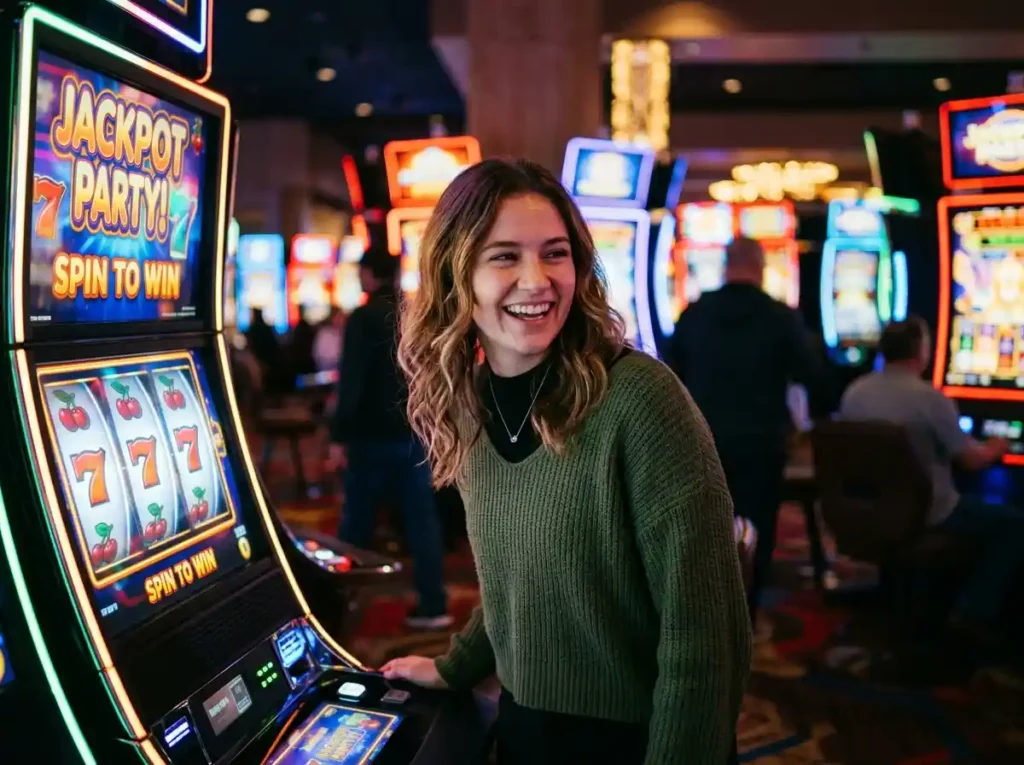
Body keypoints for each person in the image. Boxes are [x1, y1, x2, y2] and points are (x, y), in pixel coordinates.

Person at [382, 159, 750, 764]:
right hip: (524, 724)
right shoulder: (470, 403)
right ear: (456, 274)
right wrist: (457, 665)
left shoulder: (639, 398)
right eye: (504, 257)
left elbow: (705, 637)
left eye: (555, 253)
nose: (538, 280)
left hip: (635, 738)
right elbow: (517, 580)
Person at [666, 235, 819, 618]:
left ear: (725, 266)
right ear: (761, 267)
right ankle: (746, 615)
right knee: (756, 527)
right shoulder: (780, 317)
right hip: (761, 441)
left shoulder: (695, 313)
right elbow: (813, 378)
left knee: (704, 530)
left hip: (701, 440)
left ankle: (702, 613)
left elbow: (670, 376)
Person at [840, 317, 1023, 634]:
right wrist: (996, 446)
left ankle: (913, 599)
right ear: (921, 350)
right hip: (929, 513)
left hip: (869, 510)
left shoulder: (855, 392)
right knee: (1014, 524)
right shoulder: (929, 399)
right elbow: (970, 460)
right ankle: (971, 614)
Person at [327, 245, 451, 630]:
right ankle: (434, 604)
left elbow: (353, 384)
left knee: (355, 526)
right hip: (412, 433)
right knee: (421, 523)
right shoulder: (412, 314)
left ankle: (337, 605)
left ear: (368, 274)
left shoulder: (362, 319)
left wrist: (338, 434)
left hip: (369, 436)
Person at [313, 306, 346, 373]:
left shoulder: (346, 333)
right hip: (326, 371)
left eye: (342, 317)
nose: (341, 320)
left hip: (343, 372)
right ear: (332, 318)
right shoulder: (324, 334)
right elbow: (319, 356)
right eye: (338, 317)